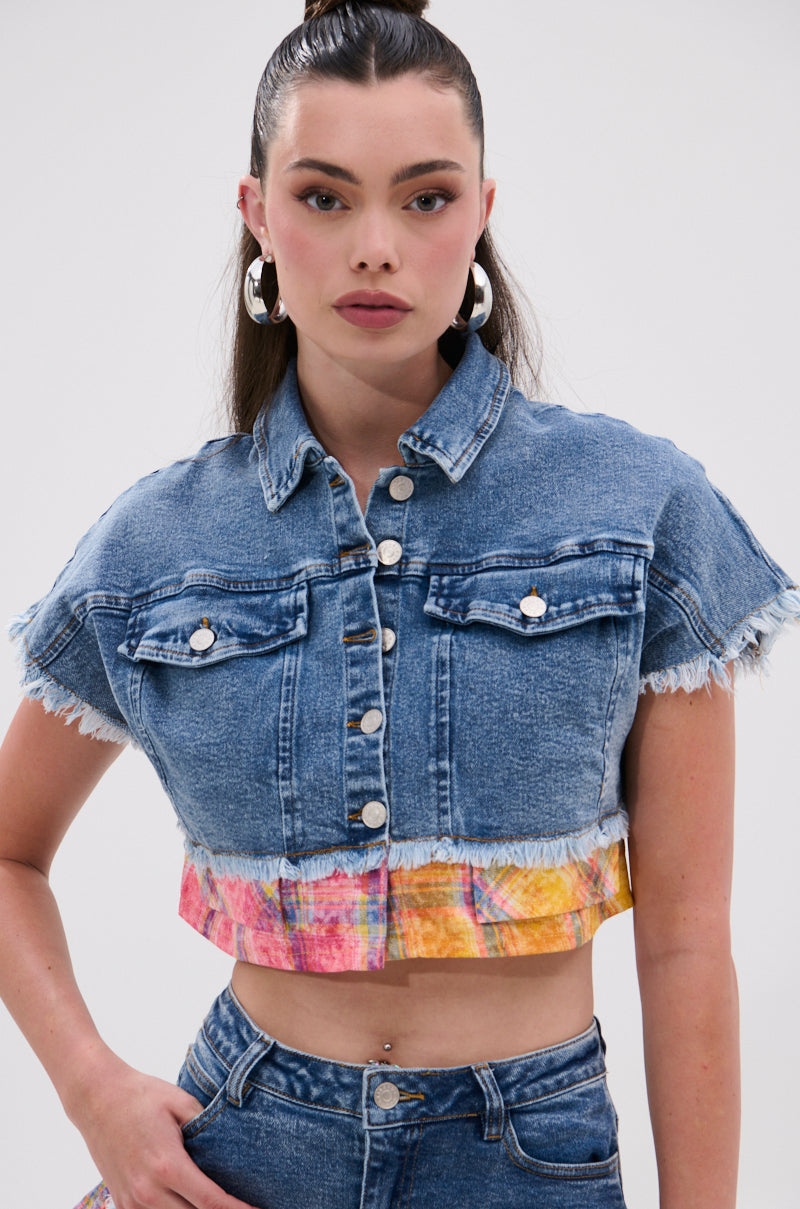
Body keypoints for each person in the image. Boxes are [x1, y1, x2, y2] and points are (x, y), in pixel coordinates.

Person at [0, 2, 798, 1207]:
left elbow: (685, 944)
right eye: (323, 197)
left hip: (527, 1158)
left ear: (480, 212)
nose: (374, 247)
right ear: (256, 213)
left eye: (424, 198)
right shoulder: (154, 545)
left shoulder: (638, 510)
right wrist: (90, 1091)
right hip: (238, 1149)